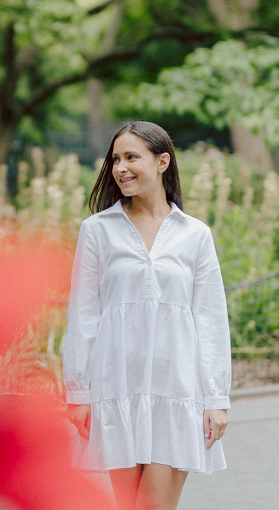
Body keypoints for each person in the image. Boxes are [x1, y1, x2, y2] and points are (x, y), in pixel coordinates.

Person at [62, 121, 231, 510]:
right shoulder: (96, 231)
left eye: (131, 157)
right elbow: (84, 314)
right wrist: (79, 393)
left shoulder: (195, 235)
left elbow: (209, 320)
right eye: (116, 159)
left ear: (162, 162)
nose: (120, 168)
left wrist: (216, 397)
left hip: (177, 389)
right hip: (116, 387)